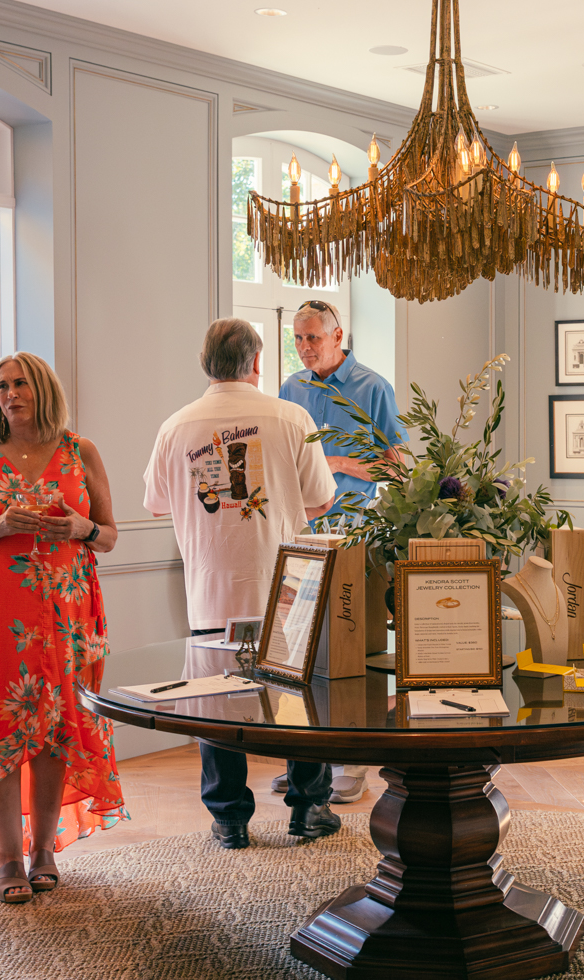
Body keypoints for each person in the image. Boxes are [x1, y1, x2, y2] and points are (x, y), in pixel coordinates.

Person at [0, 352, 128, 904]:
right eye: (1, 386)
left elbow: (108, 535)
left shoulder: (81, 452)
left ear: (43, 390)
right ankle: (8, 856)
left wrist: (80, 527)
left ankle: (43, 851)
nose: (10, 393)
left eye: (20, 384)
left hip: (68, 619)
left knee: (57, 730)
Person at [145, 318, 339, 849]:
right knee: (300, 694)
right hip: (283, 584)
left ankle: (229, 819)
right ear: (257, 363)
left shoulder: (176, 426)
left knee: (215, 702)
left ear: (206, 364)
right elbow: (322, 500)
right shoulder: (291, 416)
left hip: (210, 587)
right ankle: (308, 808)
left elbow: (157, 503)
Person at [277, 298, 405, 804]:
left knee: (348, 648)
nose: (305, 347)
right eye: (298, 338)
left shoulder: (372, 388)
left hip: (352, 533)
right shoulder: (291, 388)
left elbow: (395, 467)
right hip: (298, 531)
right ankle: (307, 764)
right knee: (300, 651)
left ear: (338, 335)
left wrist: (338, 463)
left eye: (313, 338)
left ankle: (353, 762)